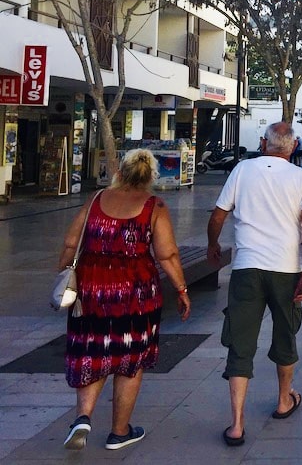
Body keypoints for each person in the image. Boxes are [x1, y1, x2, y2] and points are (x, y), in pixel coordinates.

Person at [59, 149, 191, 451]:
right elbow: (167, 254)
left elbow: (70, 243)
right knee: (130, 360)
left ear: (120, 172)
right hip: (136, 294)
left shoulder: (96, 200)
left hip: (91, 291)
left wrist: (62, 276)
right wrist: (182, 290)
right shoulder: (154, 206)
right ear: (151, 177)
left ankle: (83, 417)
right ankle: (119, 432)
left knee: (93, 350)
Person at [207, 121, 302, 448]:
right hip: (285, 269)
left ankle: (237, 424)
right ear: (293, 147)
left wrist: (213, 244)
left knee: (240, 341)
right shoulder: (301, 177)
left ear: (262, 142)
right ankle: (284, 400)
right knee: (285, 332)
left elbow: (218, 215)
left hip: (247, 268)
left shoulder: (242, 170)